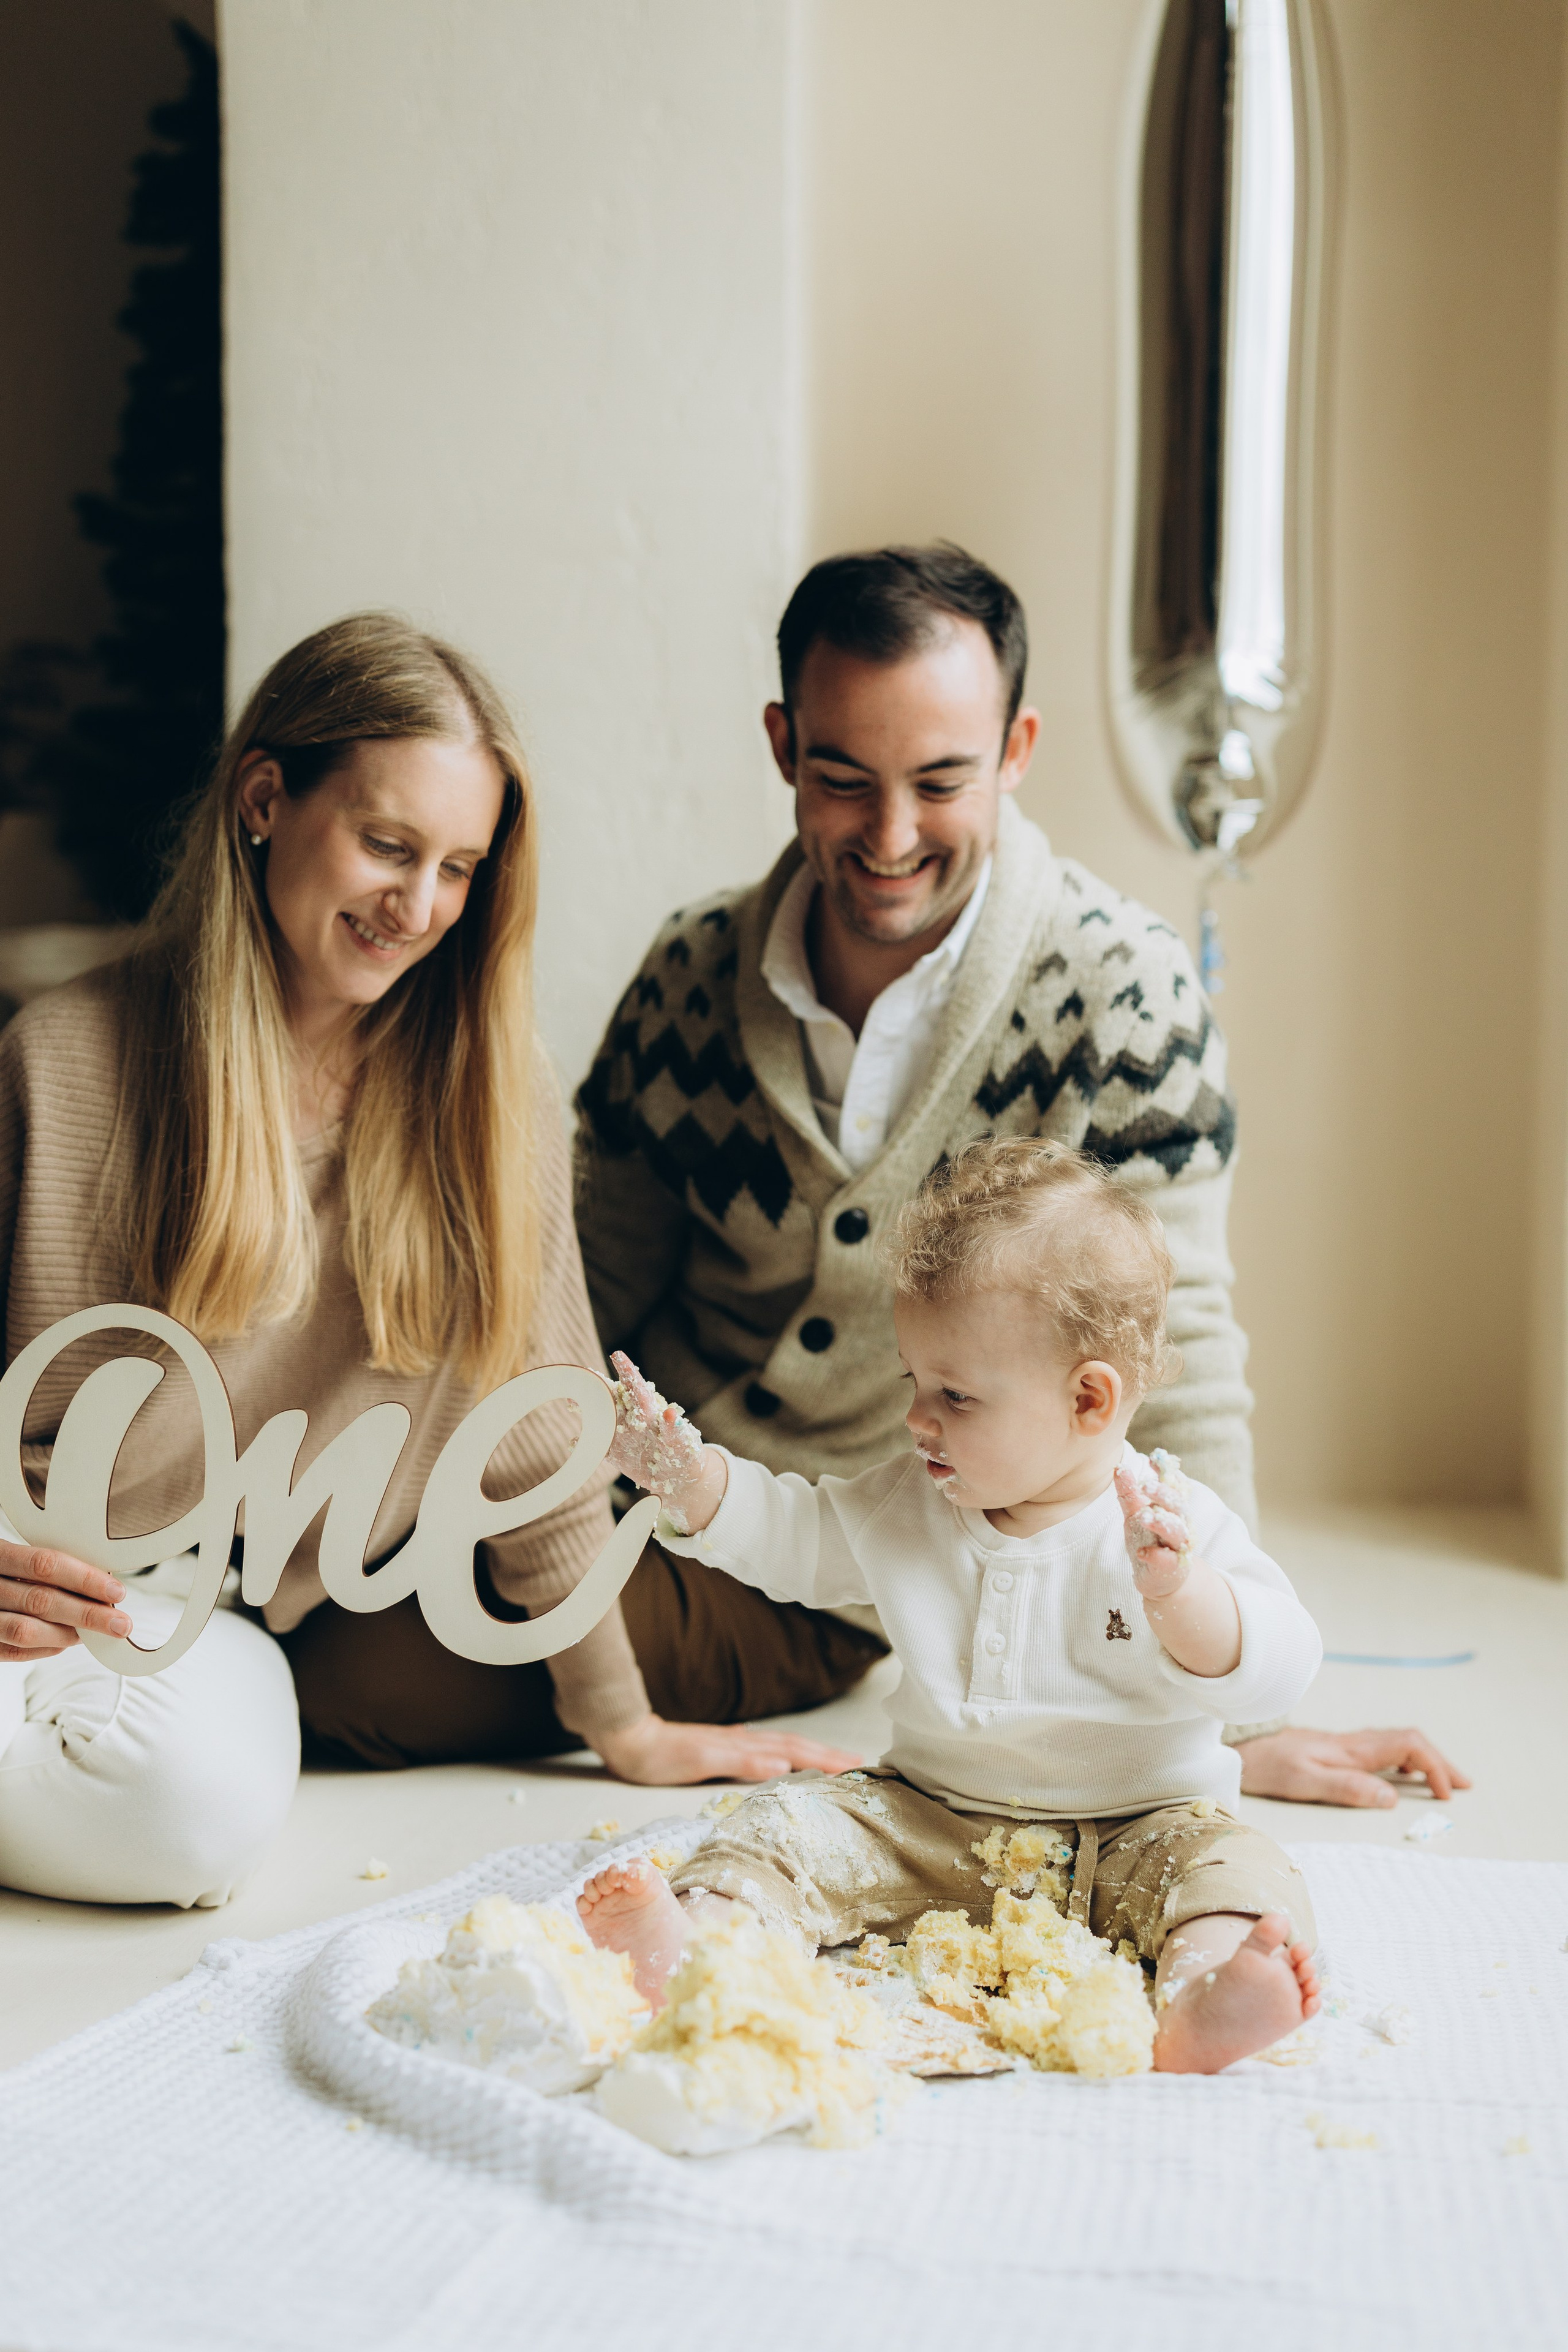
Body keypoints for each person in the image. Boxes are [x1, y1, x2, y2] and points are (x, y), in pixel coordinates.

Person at [575, 543, 1468, 1814]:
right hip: (676, 1492)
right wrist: (509, 1493)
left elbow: (1180, 1346)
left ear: (1015, 748)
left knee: (381, 1676)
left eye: (939, 782)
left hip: (860, 1552)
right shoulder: (687, 974)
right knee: (373, 1585)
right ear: (782, 745)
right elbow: (581, 1285)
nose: (887, 837)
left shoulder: (1122, 993)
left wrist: (1241, 1714)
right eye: (841, 779)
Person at [0, 614, 851, 1912]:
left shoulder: (488, 1104)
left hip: (199, 1628)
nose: (419, 907)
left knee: (193, 1818)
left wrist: (623, 1728)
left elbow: (539, 1449)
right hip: (31, 1594)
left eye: (458, 867)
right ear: (265, 800)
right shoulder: (60, 1059)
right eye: (388, 845)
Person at [582, 1139, 1323, 2075]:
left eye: (957, 1396)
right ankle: (701, 1949)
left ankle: (1203, 1999)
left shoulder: (1168, 1524)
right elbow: (797, 1536)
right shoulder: (910, 1500)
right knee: (780, 1827)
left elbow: (1285, 1661)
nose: (917, 1419)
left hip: (1144, 1826)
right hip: (930, 1820)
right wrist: (690, 1483)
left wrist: (1186, 1600)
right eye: (915, 1382)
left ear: (1090, 1399)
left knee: (1240, 1877)